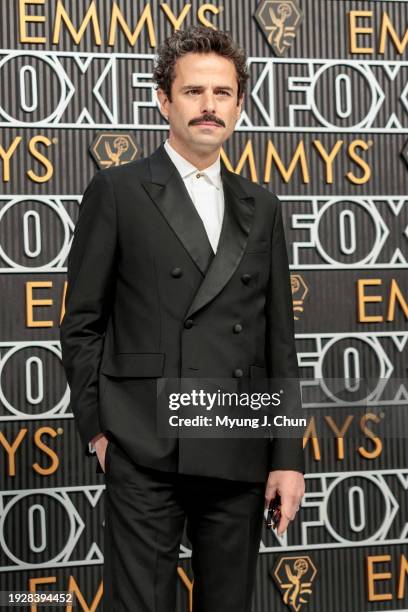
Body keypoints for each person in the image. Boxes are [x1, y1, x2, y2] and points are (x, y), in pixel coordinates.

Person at [59, 25, 305, 612]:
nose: (209, 106)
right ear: (164, 100)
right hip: (143, 445)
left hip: (236, 445)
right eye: (193, 92)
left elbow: (279, 341)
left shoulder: (263, 206)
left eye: (222, 94)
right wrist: (98, 428)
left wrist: (287, 458)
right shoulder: (117, 190)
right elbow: (82, 321)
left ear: (240, 107)